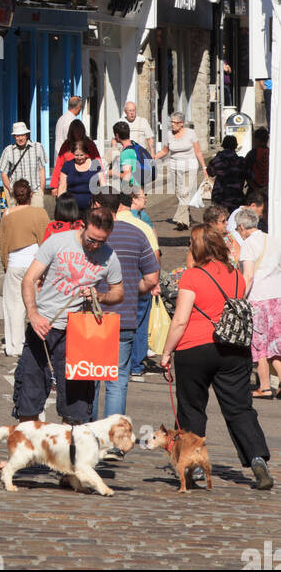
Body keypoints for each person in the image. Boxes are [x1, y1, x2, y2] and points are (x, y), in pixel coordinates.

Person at [160, 224, 273, 490]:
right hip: (233, 349)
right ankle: (257, 458)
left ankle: (194, 467)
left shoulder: (192, 276)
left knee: (192, 408)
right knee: (240, 408)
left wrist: (166, 352)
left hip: (195, 347)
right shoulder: (236, 276)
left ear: (197, 247)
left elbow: (180, 319)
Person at [13, 206, 123, 425]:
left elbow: (118, 292)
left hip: (79, 334)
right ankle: (28, 456)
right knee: (29, 398)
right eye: (92, 240)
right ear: (82, 226)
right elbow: (28, 280)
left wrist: (99, 296)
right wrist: (33, 314)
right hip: (43, 327)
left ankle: (65, 457)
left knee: (76, 409)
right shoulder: (57, 241)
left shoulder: (109, 255)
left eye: (101, 241)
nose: (95, 246)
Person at [92, 194, 159, 419]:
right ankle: (112, 438)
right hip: (124, 318)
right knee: (118, 380)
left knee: (90, 378)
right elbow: (152, 278)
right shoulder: (137, 233)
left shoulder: (91, 235)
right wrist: (133, 290)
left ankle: (88, 433)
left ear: (99, 207)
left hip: (93, 316)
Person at [112, 170, 161, 383]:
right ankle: (136, 366)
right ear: (132, 200)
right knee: (140, 322)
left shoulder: (107, 227)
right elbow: (155, 255)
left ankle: (112, 361)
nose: (146, 199)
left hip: (112, 282)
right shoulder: (143, 227)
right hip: (139, 278)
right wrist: (153, 283)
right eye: (142, 196)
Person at [0, 178, 49, 357]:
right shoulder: (40, 213)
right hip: (35, 264)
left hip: (14, 264)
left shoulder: (6, 214)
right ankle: (41, 341)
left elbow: (3, 245)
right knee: (38, 305)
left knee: (14, 307)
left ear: (14, 195)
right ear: (30, 195)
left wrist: (5, 265)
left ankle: (14, 346)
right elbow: (46, 241)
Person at [235, 208, 281, 399]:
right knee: (275, 343)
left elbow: (249, 275)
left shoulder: (248, 244)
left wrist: (239, 299)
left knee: (259, 344)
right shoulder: (272, 239)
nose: (238, 232)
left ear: (243, 226)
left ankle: (265, 386)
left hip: (258, 298)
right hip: (276, 296)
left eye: (238, 229)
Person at [156, 112, 209, 229]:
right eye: (171, 122)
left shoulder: (191, 133)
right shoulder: (168, 134)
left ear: (181, 123)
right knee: (180, 194)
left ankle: (180, 221)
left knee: (185, 192)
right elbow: (165, 151)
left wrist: (204, 167)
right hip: (174, 167)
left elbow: (198, 151)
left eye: (175, 122)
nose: (172, 125)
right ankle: (187, 217)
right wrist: (153, 157)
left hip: (190, 167)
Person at [0, 122, 47, 209]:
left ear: (26, 135)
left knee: (36, 219)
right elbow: (3, 173)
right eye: (17, 136)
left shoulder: (38, 147)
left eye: (22, 135)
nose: (20, 138)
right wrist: (11, 190)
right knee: (18, 220)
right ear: (14, 137)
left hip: (35, 192)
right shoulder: (8, 151)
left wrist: (41, 190)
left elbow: (42, 170)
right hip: (17, 195)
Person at [51, 119, 103, 192]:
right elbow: (59, 165)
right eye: (75, 131)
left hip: (88, 183)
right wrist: (55, 186)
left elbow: (98, 162)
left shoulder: (90, 144)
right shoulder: (66, 145)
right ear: (71, 132)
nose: (77, 133)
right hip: (70, 182)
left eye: (79, 131)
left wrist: (101, 182)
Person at [57, 139, 104, 216]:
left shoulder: (95, 164)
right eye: (76, 155)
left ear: (86, 153)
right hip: (72, 208)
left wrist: (103, 202)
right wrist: (60, 205)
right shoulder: (67, 165)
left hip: (91, 207)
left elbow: (102, 184)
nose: (79, 158)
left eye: (81, 155)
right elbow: (62, 187)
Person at [206, 136, 248, 214]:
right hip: (236, 197)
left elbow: (210, 173)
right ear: (235, 146)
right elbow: (250, 176)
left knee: (220, 220)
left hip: (220, 197)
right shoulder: (241, 162)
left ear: (223, 145)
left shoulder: (217, 160)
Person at [245, 126, 270, 203]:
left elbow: (246, 172)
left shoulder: (252, 153)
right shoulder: (273, 153)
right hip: (269, 189)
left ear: (256, 139)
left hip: (254, 190)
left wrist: (256, 188)